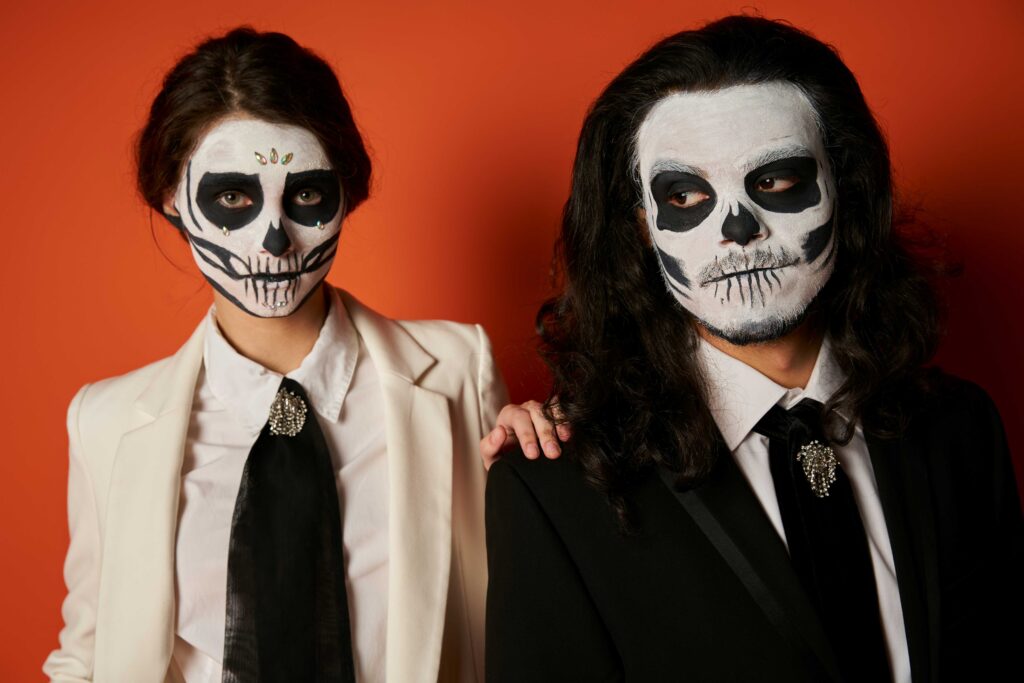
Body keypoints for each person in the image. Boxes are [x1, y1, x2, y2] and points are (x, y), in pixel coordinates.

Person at [482, 15, 1023, 682]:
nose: (737, 228)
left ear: (844, 189)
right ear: (642, 228)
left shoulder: (959, 431)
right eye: (685, 195)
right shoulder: (557, 491)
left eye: (774, 181)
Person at [44, 28, 506, 683]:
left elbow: (520, 611)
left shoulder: (460, 372)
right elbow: (86, 653)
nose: (274, 238)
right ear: (173, 199)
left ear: (347, 189)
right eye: (233, 196)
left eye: (307, 195)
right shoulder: (106, 422)